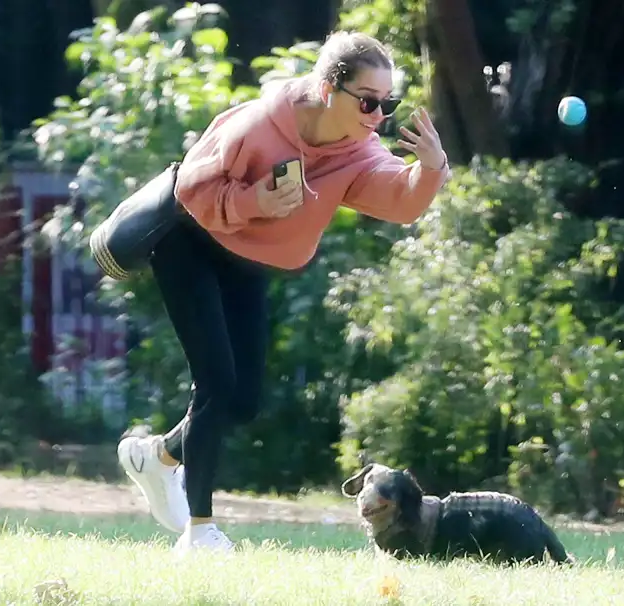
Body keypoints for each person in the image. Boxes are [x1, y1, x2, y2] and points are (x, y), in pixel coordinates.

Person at [116, 29, 450, 555]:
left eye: (388, 103)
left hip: (248, 259)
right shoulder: (257, 125)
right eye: (368, 101)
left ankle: (155, 458)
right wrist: (256, 203)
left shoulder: (357, 150)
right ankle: (199, 531)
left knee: (243, 402)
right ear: (326, 89)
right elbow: (192, 189)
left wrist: (430, 169)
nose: (378, 115)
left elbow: (399, 200)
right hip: (190, 244)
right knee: (216, 385)